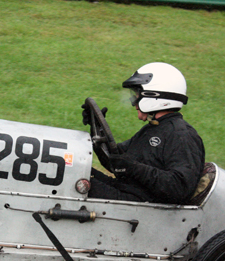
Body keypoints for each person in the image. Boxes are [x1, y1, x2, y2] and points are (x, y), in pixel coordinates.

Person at [84, 62, 205, 204]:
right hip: (127, 193)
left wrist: (134, 168)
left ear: (154, 96)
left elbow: (178, 188)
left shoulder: (182, 135)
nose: (133, 101)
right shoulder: (154, 128)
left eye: (137, 95)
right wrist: (96, 133)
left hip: (142, 206)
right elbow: (116, 163)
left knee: (67, 183)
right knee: (70, 169)